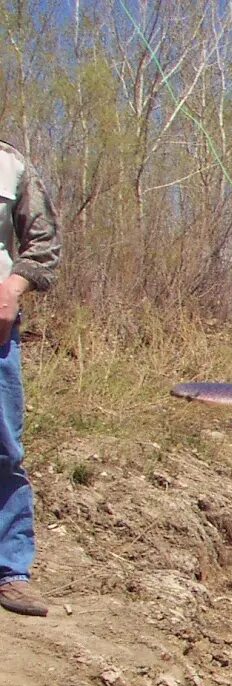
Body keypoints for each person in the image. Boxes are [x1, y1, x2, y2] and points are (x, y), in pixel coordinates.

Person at [0, 139, 62, 618]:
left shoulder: (13, 163)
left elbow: (44, 245)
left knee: (5, 450)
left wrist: (13, 287)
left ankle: (10, 571)